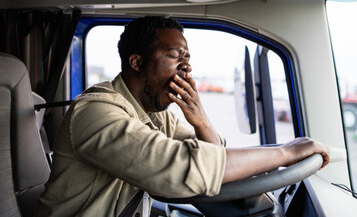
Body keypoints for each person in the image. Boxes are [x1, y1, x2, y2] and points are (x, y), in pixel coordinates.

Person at [36, 16, 330, 217]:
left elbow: (215, 156)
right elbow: (182, 167)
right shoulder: (96, 111)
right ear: (137, 62)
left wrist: (200, 120)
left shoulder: (157, 115)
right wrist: (287, 152)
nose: (186, 69)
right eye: (176, 57)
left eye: (187, 60)